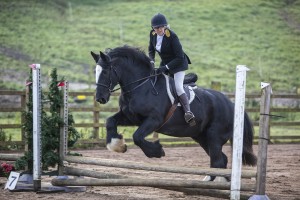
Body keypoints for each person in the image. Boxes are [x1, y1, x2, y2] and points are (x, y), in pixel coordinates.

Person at [148, 13, 195, 126]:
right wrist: (152, 61)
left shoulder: (172, 36)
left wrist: (165, 68)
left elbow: (179, 57)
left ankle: (188, 112)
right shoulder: (153, 34)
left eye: (160, 27)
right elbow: (151, 49)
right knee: (155, 81)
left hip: (178, 64)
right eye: (156, 27)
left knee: (178, 88)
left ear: (165, 26)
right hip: (165, 63)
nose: (158, 30)